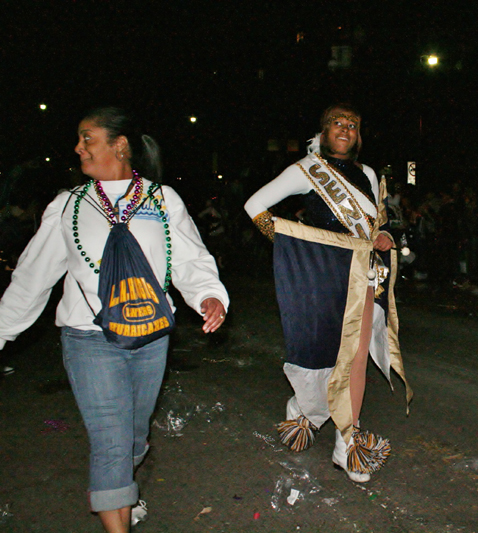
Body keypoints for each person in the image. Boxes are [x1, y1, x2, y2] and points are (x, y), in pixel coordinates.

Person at [0, 107, 229, 531]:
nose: (78, 147)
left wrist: (210, 297)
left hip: (152, 337)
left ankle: (124, 485)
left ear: (119, 145)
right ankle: (118, 509)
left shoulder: (161, 200)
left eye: (87, 138)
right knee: (111, 441)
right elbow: (32, 278)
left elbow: (191, 260)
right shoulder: (68, 206)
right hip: (88, 338)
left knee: (134, 437)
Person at [244, 104, 411, 483]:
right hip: (321, 276)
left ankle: (347, 442)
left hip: (363, 277)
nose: (346, 128)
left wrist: (382, 235)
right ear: (322, 132)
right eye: (338, 122)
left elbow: (376, 222)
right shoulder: (305, 170)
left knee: (355, 357)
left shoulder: (368, 174)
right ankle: (306, 408)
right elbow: (254, 206)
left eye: (353, 124)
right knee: (324, 351)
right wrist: (296, 242)